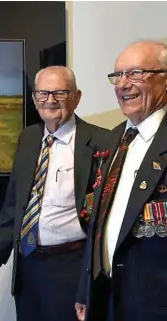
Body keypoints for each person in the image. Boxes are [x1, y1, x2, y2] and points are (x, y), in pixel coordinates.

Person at [0, 66, 111, 321]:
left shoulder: (100, 142)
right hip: (28, 266)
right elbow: (15, 204)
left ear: (76, 97)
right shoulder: (28, 138)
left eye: (59, 93)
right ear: (34, 98)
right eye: (43, 93)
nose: (50, 100)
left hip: (71, 268)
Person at [75, 40, 167, 321]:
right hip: (107, 300)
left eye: (135, 73)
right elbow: (98, 223)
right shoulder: (112, 140)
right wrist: (84, 290)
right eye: (117, 75)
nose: (122, 84)